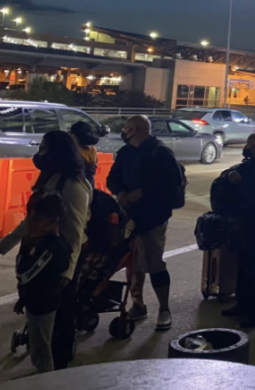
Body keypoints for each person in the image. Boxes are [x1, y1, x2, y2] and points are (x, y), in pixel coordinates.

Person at [0, 131, 91, 370]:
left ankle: (56, 370)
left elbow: (75, 230)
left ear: (58, 153)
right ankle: (43, 361)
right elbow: (33, 218)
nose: (40, 154)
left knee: (59, 317)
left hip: (59, 259)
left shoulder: (73, 186)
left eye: (44, 149)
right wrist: (8, 243)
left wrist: (67, 272)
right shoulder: (50, 178)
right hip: (38, 251)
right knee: (37, 308)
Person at [106, 115, 180, 331]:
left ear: (137, 129)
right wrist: (119, 192)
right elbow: (113, 177)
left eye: (127, 128)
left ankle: (164, 309)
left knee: (153, 261)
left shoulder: (160, 152)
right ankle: (138, 304)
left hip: (153, 216)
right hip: (129, 215)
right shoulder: (126, 152)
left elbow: (172, 181)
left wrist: (143, 192)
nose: (123, 131)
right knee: (133, 262)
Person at [221, 133, 255, 328]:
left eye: (249, 145)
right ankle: (242, 303)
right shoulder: (252, 164)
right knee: (243, 265)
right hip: (245, 220)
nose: (246, 148)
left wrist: (239, 181)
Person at [13, 194, 71, 374]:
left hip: (43, 304)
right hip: (34, 302)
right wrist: (23, 299)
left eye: (37, 219)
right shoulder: (40, 243)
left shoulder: (54, 247)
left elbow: (26, 274)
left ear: (52, 222)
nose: (32, 224)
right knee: (37, 346)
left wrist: (26, 245)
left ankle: (46, 380)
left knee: (42, 350)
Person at [69, 120, 100, 187]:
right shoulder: (92, 149)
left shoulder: (74, 152)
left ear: (75, 136)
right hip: (89, 184)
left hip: (76, 186)